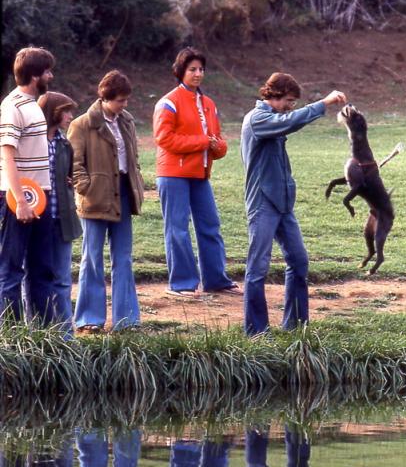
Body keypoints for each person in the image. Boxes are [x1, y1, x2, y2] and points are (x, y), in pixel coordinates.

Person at [240, 72, 346, 335]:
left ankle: (295, 327)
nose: (291, 105)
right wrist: (324, 103)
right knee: (258, 268)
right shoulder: (258, 119)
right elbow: (291, 121)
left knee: (299, 261)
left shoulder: (273, 117)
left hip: (283, 203)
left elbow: (288, 119)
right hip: (262, 203)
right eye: (288, 100)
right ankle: (255, 332)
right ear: (272, 95)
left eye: (293, 102)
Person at [153, 47, 239, 298]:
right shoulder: (168, 102)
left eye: (201, 69)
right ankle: (181, 284)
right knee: (177, 228)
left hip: (201, 175)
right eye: (192, 69)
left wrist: (217, 146)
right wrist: (203, 142)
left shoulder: (209, 104)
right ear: (181, 71)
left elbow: (219, 143)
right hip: (173, 175)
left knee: (210, 226)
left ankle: (216, 280)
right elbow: (164, 138)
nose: (198, 73)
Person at [68, 70, 144, 333]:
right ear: (106, 98)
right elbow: (74, 163)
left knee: (123, 257)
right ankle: (89, 318)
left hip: (123, 192)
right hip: (95, 197)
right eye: (120, 100)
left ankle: (127, 320)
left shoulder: (127, 121)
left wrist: (137, 182)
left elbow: (132, 158)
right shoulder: (81, 125)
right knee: (92, 257)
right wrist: (85, 187)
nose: (124, 105)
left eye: (126, 100)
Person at [0, 46, 55, 325]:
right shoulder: (12, 106)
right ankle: (10, 338)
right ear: (35, 75)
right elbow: (6, 153)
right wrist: (19, 200)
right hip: (17, 198)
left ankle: (46, 337)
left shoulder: (34, 105)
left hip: (40, 196)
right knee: (11, 269)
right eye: (47, 71)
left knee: (41, 268)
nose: (51, 75)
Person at [33, 91, 82, 336]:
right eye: (66, 111)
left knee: (63, 280)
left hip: (62, 219)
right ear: (53, 112)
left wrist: (71, 182)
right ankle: (38, 333)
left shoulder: (65, 144)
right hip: (35, 219)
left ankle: (65, 337)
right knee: (36, 277)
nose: (70, 116)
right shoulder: (32, 141)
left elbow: (72, 175)